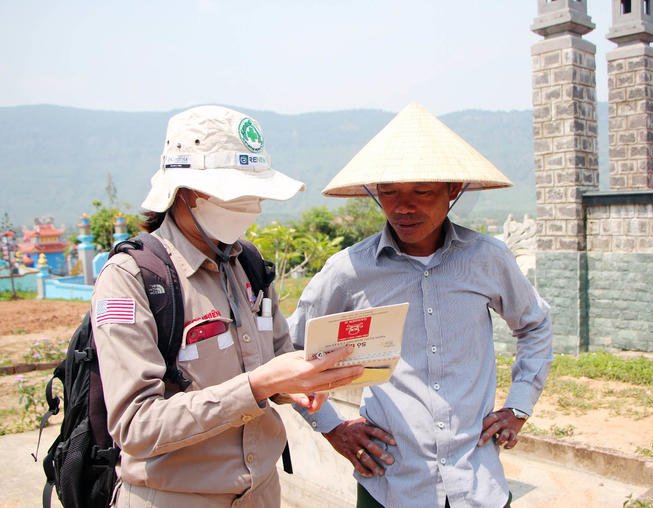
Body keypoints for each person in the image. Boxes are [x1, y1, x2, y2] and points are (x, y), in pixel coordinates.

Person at [91, 105, 363, 508]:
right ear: (184, 190)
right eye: (237, 193)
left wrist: (302, 383)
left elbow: (277, 357)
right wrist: (259, 386)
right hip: (174, 497)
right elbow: (136, 426)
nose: (251, 206)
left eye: (255, 193)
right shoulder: (132, 278)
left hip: (262, 492)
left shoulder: (246, 264)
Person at [288, 103, 554, 508]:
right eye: (389, 192)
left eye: (422, 192)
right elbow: (290, 350)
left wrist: (519, 405)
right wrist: (332, 427)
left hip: (476, 483)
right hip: (391, 482)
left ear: (453, 191)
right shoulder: (349, 270)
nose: (402, 206)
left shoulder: (488, 258)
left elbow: (534, 325)